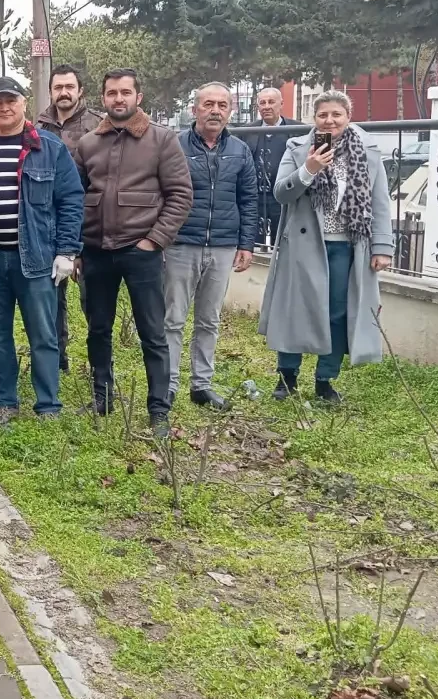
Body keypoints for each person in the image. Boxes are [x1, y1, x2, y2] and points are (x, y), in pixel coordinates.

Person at [73, 69, 192, 439]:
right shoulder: (88, 143)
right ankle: (102, 397)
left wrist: (154, 241)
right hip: (96, 252)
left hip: (141, 251)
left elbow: (181, 195)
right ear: (103, 98)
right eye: (112, 93)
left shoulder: (162, 140)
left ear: (138, 97)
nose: (118, 99)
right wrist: (77, 248)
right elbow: (75, 200)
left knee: (152, 332)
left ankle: (159, 409)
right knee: (98, 329)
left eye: (125, 92)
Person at [0, 77, 84, 423]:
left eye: (11, 101)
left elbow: (72, 200)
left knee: (43, 334)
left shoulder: (49, 148)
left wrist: (67, 252)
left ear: (24, 103)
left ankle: (48, 405)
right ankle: (5, 401)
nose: (4, 108)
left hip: (36, 259)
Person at [260, 90, 393, 405]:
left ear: (348, 117)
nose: (330, 120)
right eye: (323, 115)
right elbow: (281, 194)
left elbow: (380, 203)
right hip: (304, 245)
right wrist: (308, 169)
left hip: (347, 246)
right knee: (296, 309)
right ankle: (286, 377)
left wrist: (382, 246)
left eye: (337, 114)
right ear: (314, 118)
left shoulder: (368, 152)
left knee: (337, 314)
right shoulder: (297, 148)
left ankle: (325, 381)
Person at [164, 83, 257, 413]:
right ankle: (168, 385)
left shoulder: (241, 151)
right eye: (208, 104)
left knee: (209, 320)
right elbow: (160, 194)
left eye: (222, 105)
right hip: (181, 245)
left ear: (230, 111)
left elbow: (248, 199)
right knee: (172, 319)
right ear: (195, 110)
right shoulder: (174, 146)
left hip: (222, 246)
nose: (215, 110)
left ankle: (201, 385)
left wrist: (246, 243)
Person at [35, 64, 104, 373]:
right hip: (50, 226)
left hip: (91, 224)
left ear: (80, 91)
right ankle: (57, 358)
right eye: (58, 87)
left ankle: (98, 364)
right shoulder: (38, 127)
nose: (63, 92)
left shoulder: (98, 126)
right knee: (53, 298)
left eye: (69, 87)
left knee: (93, 301)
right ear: (51, 91)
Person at [243, 87, 299, 247]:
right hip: (254, 198)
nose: (266, 106)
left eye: (271, 102)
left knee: (283, 244)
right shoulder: (247, 132)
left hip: (285, 198)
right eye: (262, 103)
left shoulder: (298, 130)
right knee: (252, 245)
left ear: (281, 104)